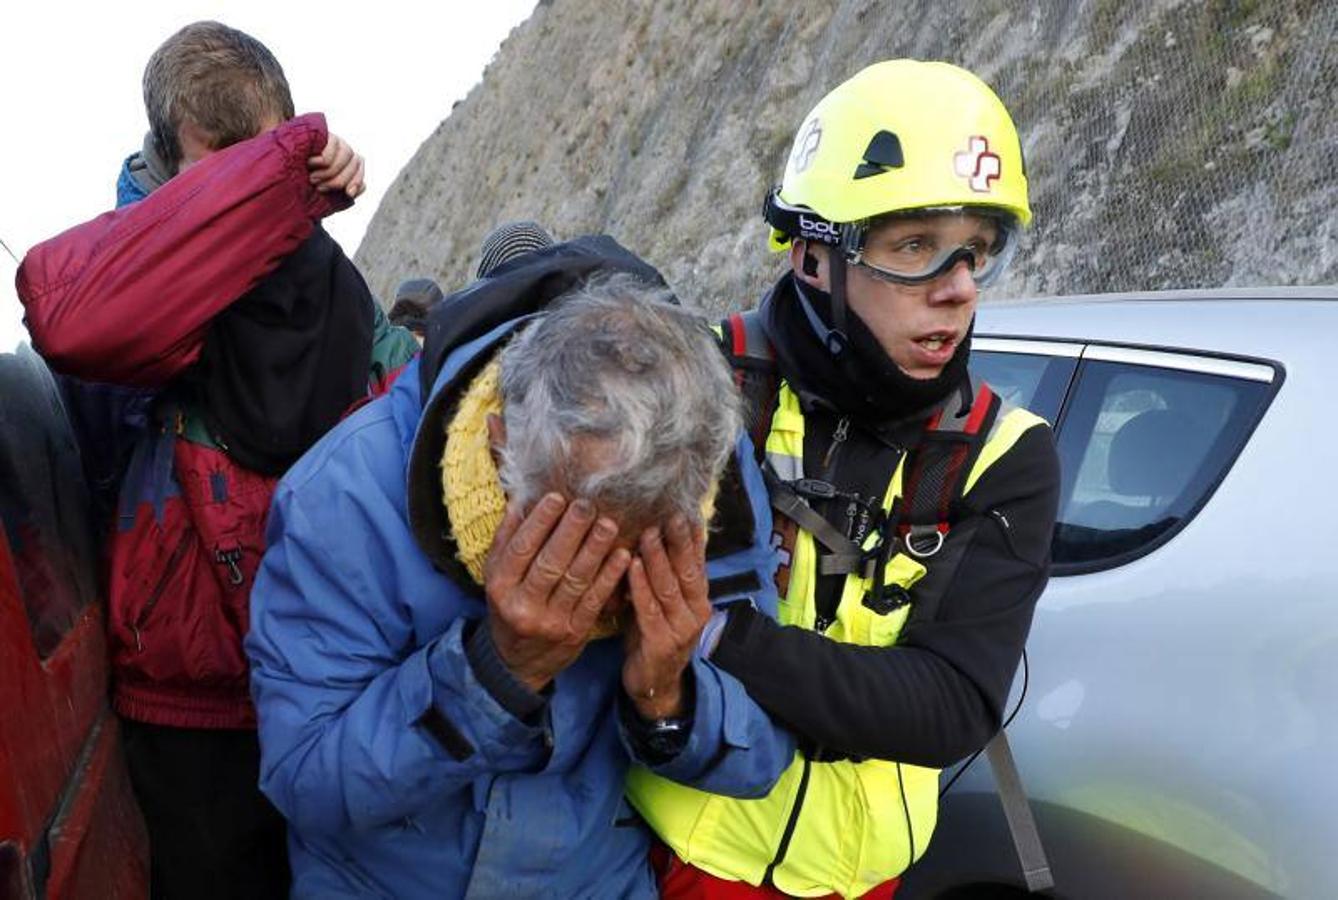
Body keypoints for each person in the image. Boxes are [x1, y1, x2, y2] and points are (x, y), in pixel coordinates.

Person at [626, 59, 1062, 898]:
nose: (960, 289)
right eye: (915, 248)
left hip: (859, 876)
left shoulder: (1007, 453)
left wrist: (718, 637)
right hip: (673, 850)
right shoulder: (706, 386)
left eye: (976, 251)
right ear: (814, 258)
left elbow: (952, 705)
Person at [244, 244, 795, 897]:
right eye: (578, 528)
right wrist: (494, 674)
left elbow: (764, 754)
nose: (602, 579)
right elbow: (306, 780)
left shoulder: (702, 472)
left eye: (639, 542)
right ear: (500, 444)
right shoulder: (342, 495)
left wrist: (668, 697)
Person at [17, 21, 416, 899]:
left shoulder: (336, 292)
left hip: (326, 697)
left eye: (258, 166)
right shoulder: (129, 302)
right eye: (219, 177)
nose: (243, 202)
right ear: (161, 169)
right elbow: (67, 312)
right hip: (191, 717)